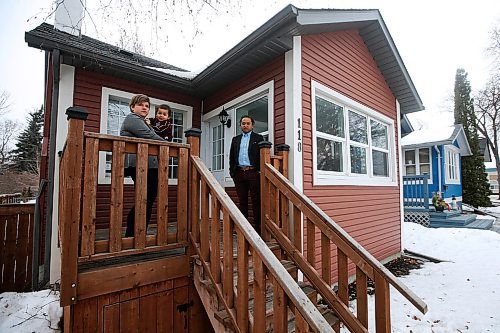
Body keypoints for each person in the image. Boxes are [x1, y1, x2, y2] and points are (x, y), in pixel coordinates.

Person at [121, 94, 166, 237]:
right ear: (133, 107)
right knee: (144, 199)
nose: (145, 108)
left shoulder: (143, 121)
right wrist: (171, 145)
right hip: (140, 165)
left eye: (147, 106)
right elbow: (149, 136)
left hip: (150, 166)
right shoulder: (132, 118)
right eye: (141, 105)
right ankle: (131, 235)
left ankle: (138, 234)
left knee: (147, 199)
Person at [229, 115, 265, 235]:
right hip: (239, 173)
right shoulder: (235, 139)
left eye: (248, 123)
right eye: (243, 123)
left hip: (253, 173)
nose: (245, 125)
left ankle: (258, 228)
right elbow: (232, 157)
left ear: (252, 125)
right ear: (240, 125)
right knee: (242, 201)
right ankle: (243, 227)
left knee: (256, 201)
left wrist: (259, 171)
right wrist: (232, 172)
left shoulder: (259, 138)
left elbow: (263, 156)